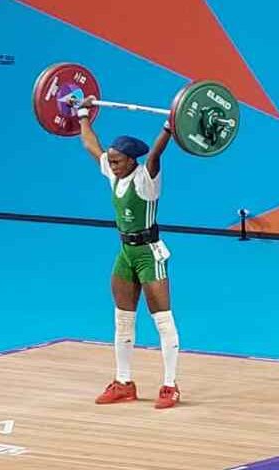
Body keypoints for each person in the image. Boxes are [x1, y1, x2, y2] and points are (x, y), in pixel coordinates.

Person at [76, 96, 180, 409]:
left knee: (162, 320)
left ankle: (170, 386)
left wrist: (169, 126)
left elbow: (157, 153)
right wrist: (82, 113)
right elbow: (90, 145)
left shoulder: (147, 179)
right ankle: (124, 383)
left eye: (117, 161)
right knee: (123, 319)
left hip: (149, 254)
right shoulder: (115, 173)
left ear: (132, 161)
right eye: (111, 161)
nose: (112, 165)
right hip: (125, 253)